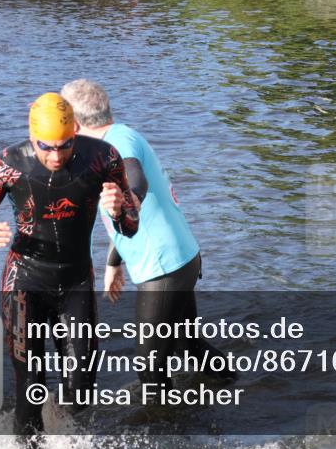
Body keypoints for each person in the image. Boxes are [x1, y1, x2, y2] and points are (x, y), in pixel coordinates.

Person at [0, 93, 139, 442]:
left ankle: (59, 434)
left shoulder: (103, 157)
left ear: (75, 130)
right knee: (31, 385)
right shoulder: (7, 164)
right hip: (24, 282)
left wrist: (120, 210)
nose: (56, 155)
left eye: (65, 145)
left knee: (82, 388)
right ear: (32, 137)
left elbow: (131, 225)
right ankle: (30, 445)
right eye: (47, 147)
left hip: (75, 281)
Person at [60, 79, 235, 391]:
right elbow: (123, 215)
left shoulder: (118, 142)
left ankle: (169, 434)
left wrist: (132, 199)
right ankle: (238, 386)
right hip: (180, 258)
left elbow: (136, 180)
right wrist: (114, 262)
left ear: (73, 124)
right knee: (188, 346)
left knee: (150, 369)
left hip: (164, 266)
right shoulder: (114, 139)